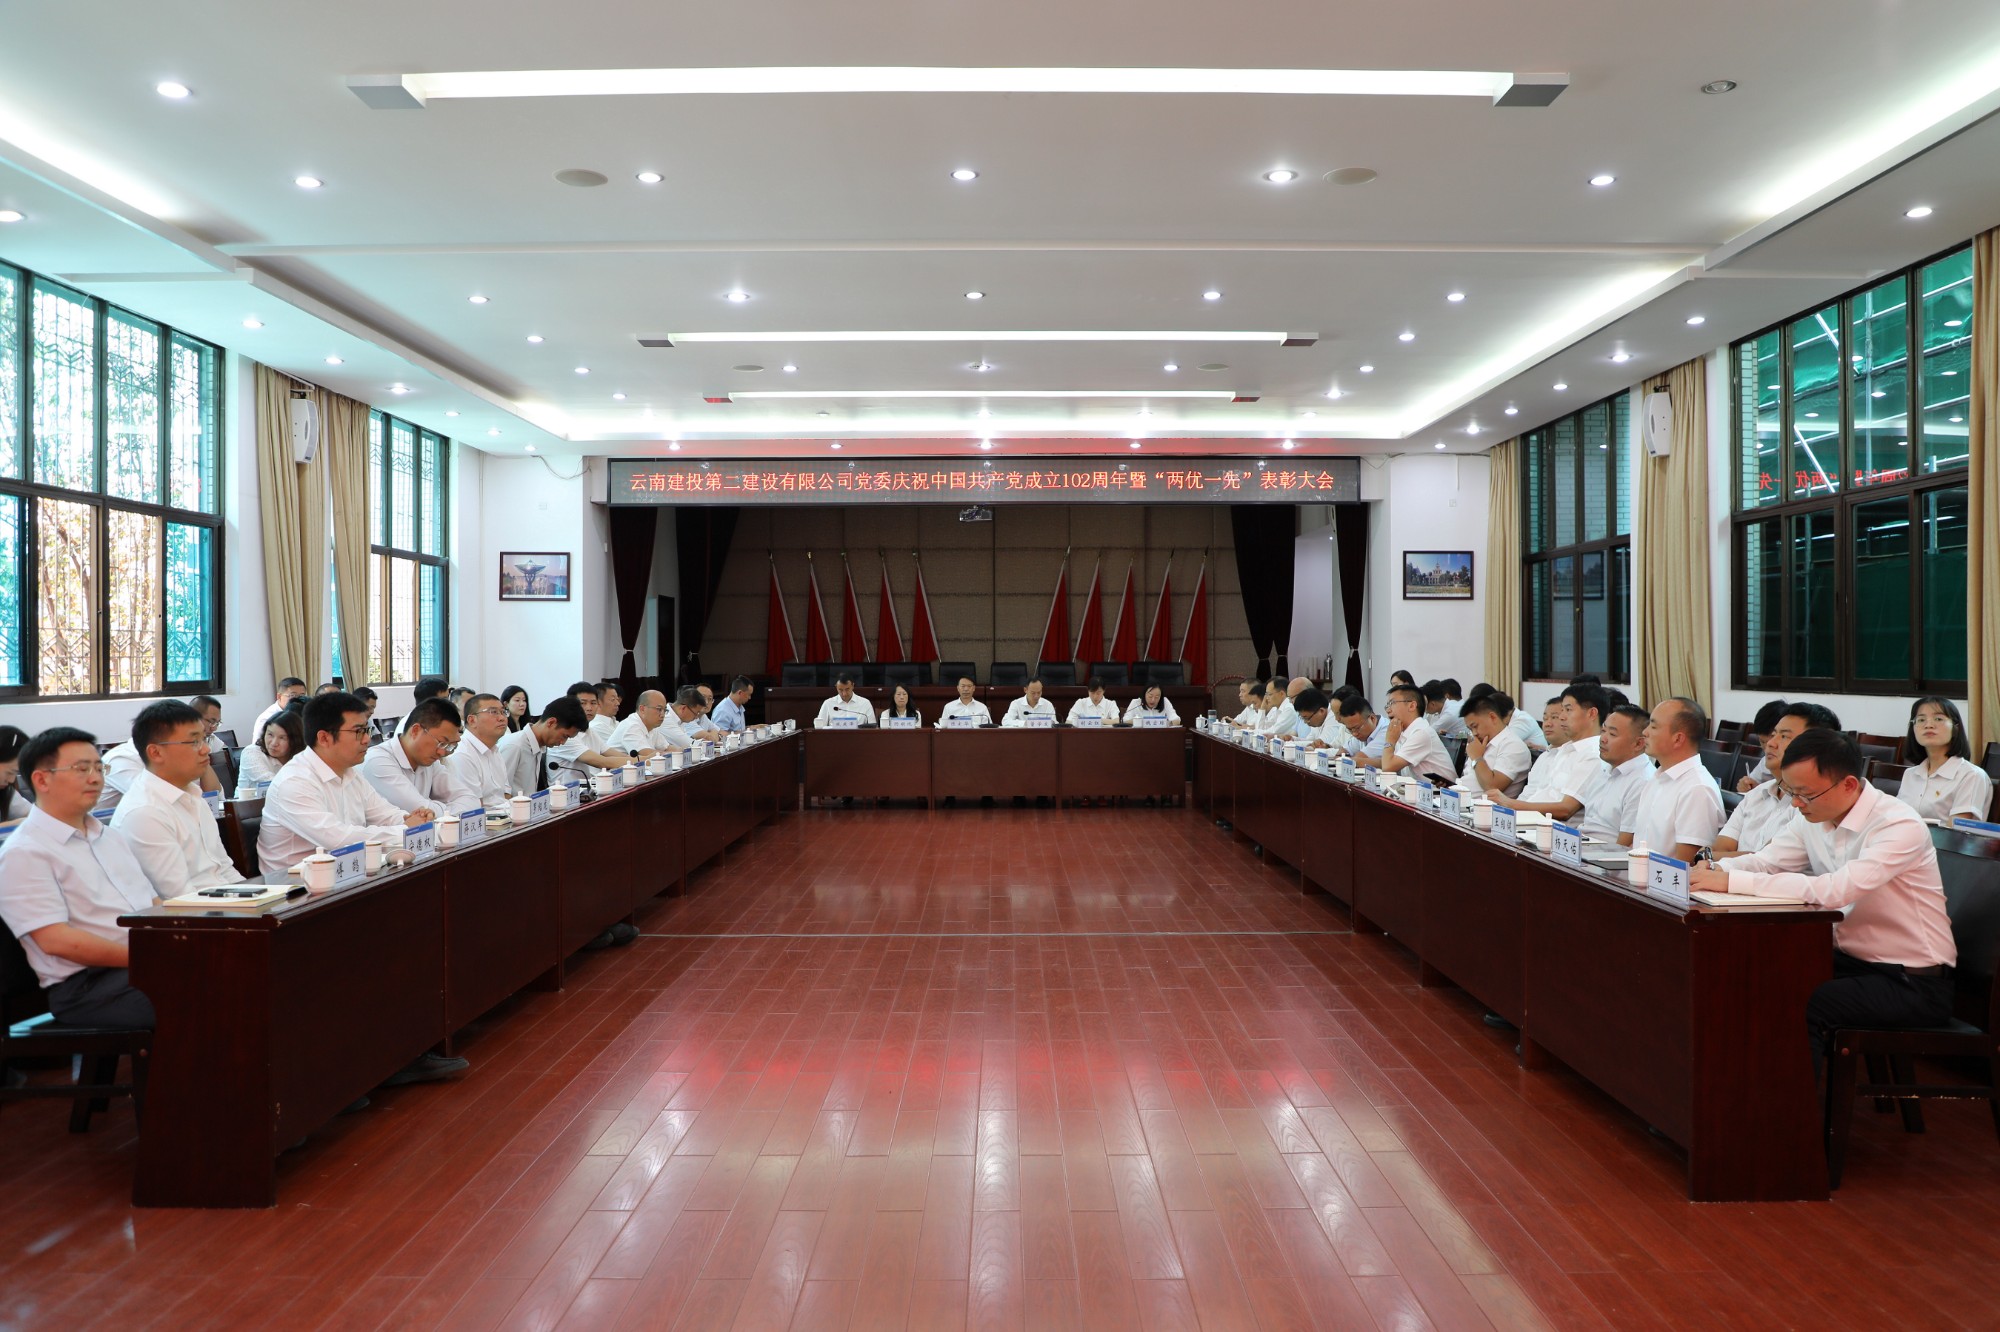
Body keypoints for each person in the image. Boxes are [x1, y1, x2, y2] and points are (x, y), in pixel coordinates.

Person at [1692, 728, 1956, 1064]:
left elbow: (1835, 890)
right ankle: (1741, 1089)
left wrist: (1730, 881)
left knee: (1803, 1001)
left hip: (1911, 980)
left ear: (1848, 784)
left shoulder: (1897, 825)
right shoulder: (1813, 817)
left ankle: (1794, 1099)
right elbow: (1766, 862)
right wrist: (1712, 870)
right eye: (1791, 792)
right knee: (1754, 977)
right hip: (1850, 962)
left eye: (1805, 794)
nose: (1796, 803)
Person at [0, 727, 158, 1028]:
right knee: (214, 996)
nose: (95, 778)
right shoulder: (24, 852)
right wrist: (149, 957)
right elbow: (56, 941)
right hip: (88, 988)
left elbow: (152, 904)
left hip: (143, 966)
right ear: (42, 780)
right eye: (82, 769)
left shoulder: (109, 837)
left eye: (99, 767)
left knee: (237, 973)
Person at [257, 691, 432, 872]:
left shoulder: (349, 772)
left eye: (367, 730)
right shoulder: (294, 782)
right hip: (295, 883)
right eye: (358, 731)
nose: (367, 739)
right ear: (324, 738)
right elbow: (338, 840)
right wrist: (405, 829)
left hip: (345, 873)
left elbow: (384, 814)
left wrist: (413, 820)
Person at [108, 701, 247, 902]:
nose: (206, 749)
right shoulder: (145, 812)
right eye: (194, 742)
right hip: (196, 914)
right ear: (156, 752)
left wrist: (259, 901)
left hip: (225, 906)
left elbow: (224, 869)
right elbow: (181, 899)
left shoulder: (194, 795)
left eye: (204, 739)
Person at [1714, 703, 1840, 856]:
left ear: (1815, 746)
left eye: (1784, 736)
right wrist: (1708, 857)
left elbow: (1767, 862)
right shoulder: (1757, 793)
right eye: (1773, 735)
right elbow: (1718, 848)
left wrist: (1709, 858)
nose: (1770, 743)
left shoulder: (1812, 806)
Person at [1619, 696, 1724, 862]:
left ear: (1678, 739)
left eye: (1653, 726)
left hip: (1662, 877)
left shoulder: (1697, 789)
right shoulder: (1658, 777)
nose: (1645, 732)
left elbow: (1687, 864)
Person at [361, 697, 470, 814]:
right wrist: (444, 808)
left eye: (448, 746)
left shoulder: (429, 761)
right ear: (415, 731)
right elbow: (419, 811)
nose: (442, 753)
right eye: (441, 743)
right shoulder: (378, 761)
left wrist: (435, 807)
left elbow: (470, 800)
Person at [1896, 696, 1992, 823]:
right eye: (1921, 720)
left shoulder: (1971, 775)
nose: (1928, 725)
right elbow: (1897, 818)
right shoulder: (1910, 774)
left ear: (1955, 728)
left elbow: (1956, 830)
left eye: (1938, 719)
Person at [1572, 705, 1655, 842]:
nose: (1603, 739)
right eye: (1603, 731)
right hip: (1582, 844)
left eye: (1612, 734)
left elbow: (1625, 844)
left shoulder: (1643, 781)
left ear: (1638, 744)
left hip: (1606, 852)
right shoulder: (1604, 768)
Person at [1363, 684, 1457, 784]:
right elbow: (1387, 762)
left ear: (1412, 706)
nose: (1388, 710)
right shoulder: (1404, 731)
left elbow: (1388, 767)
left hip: (1443, 791)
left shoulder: (1421, 732)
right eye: (1387, 705)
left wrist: (1389, 740)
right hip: (1421, 789)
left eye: (1392, 703)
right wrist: (1355, 761)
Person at [497, 695, 588, 796]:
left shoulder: (538, 746)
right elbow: (501, 792)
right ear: (551, 722)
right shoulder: (514, 745)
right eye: (564, 736)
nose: (563, 742)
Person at [445, 693, 514, 809]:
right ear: (472, 720)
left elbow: (505, 794)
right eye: (493, 712)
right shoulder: (462, 754)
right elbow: (474, 808)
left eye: (503, 712)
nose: (502, 718)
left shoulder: (494, 749)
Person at [548, 682, 633, 776]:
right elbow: (603, 762)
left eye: (593, 703)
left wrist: (640, 759)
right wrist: (641, 760)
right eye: (583, 703)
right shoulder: (564, 737)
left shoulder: (589, 731)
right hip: (570, 785)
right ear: (571, 705)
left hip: (593, 783)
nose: (589, 708)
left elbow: (615, 754)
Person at [1461, 691, 1530, 797]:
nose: (1474, 733)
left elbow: (1492, 787)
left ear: (1492, 717)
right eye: (1470, 729)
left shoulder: (1513, 746)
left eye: (1475, 726)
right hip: (1458, 800)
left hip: (1480, 806)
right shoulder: (1481, 743)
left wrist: (1477, 757)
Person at [236, 712, 304, 799]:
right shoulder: (251, 752)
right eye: (270, 735)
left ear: (295, 740)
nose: (274, 743)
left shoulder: (301, 758)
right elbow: (273, 785)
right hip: (250, 806)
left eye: (282, 738)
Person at [1737, 698, 1791, 792]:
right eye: (1762, 742)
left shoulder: (1799, 768)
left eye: (1773, 740)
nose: (1767, 748)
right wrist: (1747, 786)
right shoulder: (1765, 762)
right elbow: (1752, 784)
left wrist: (1761, 791)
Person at [607, 689, 676, 755]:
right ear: (642, 709)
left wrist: (681, 751)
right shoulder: (632, 726)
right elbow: (647, 755)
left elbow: (667, 748)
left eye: (665, 710)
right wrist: (675, 754)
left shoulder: (651, 726)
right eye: (659, 709)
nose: (663, 714)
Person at [1334, 695, 1390, 760]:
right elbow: (1341, 754)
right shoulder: (1359, 732)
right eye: (1350, 729)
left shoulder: (1387, 731)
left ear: (1372, 718)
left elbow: (1359, 759)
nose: (1354, 734)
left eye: (1357, 728)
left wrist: (1345, 759)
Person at [252, 677, 308, 742]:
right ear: (279, 697)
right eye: (292, 695)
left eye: (302, 696)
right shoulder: (266, 718)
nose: (298, 700)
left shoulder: (302, 712)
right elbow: (258, 745)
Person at [0, 724, 29, 824]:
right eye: (9, 772)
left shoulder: (6, 792)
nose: (11, 780)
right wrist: (12, 824)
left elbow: (29, 813)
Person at [588, 681, 624, 752]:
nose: (618, 703)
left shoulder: (615, 722)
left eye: (617, 699)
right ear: (598, 702)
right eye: (613, 700)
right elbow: (620, 751)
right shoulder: (596, 727)